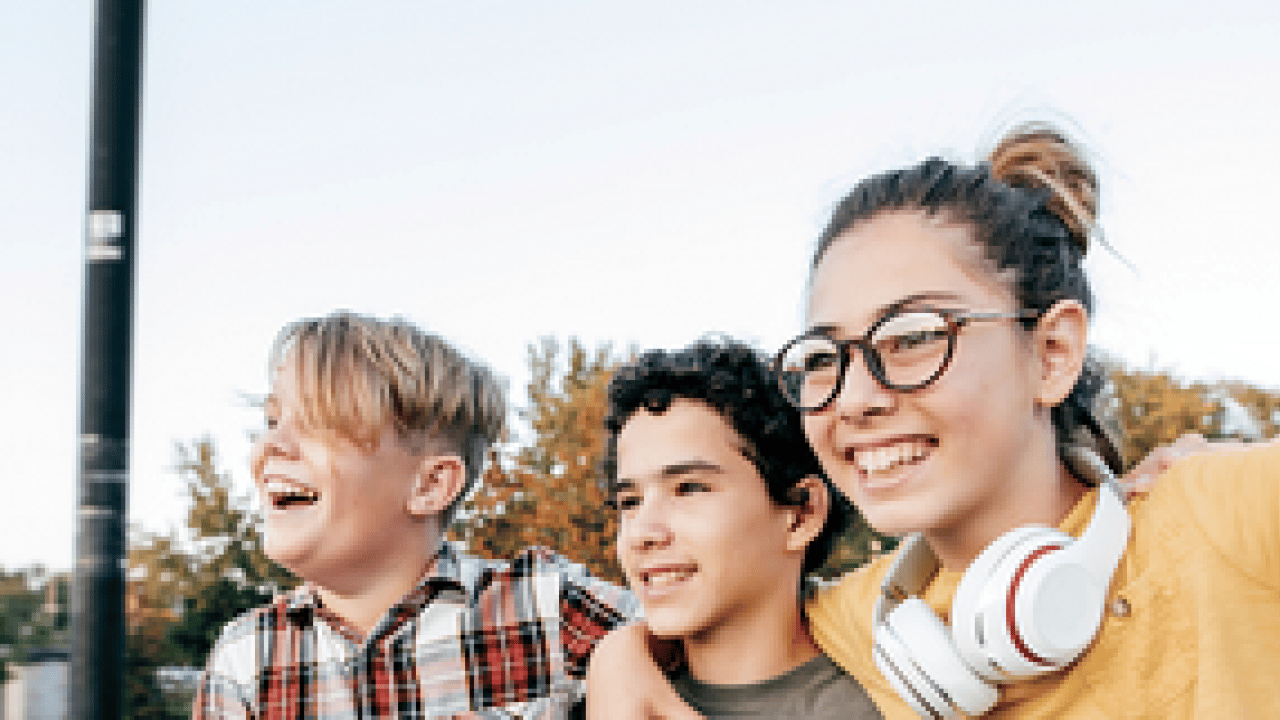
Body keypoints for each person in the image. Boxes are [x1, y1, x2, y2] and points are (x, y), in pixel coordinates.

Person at [589, 123, 1280, 718]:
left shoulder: (1223, 516)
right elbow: (714, 608)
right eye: (826, 357)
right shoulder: (871, 623)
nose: (854, 398)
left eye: (913, 337)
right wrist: (618, 663)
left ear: (1052, 354)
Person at [192, 311, 637, 719]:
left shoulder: (549, 609)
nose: (270, 446)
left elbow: (681, 656)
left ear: (430, 485)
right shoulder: (245, 661)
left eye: (317, 422)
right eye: (272, 421)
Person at [595, 338, 882, 719]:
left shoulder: (891, 703)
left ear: (802, 514)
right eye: (629, 502)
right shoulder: (593, 696)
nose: (641, 534)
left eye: (689, 489)